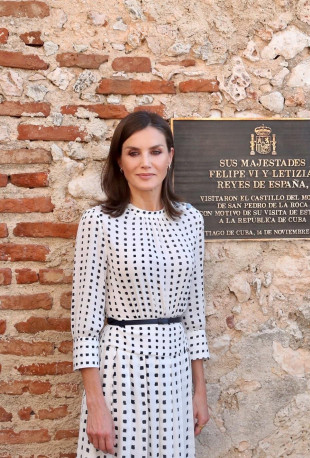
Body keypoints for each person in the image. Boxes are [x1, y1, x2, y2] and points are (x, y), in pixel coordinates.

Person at [71, 111, 210, 457]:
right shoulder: (99, 223)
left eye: (155, 151)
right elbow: (85, 324)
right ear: (119, 161)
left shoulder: (191, 220)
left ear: (170, 156)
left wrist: (200, 390)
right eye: (133, 153)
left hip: (175, 368)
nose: (145, 163)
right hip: (120, 369)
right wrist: (95, 403)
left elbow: (194, 316)